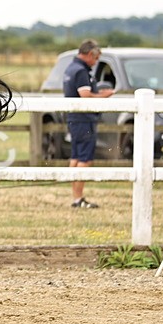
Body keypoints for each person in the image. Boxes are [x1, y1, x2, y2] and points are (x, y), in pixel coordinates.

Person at [63, 39, 115, 208]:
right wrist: (104, 96)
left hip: (75, 118)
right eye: (96, 58)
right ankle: (78, 198)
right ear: (89, 54)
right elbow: (85, 95)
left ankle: (76, 197)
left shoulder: (71, 68)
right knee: (84, 158)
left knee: (76, 156)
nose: (96, 62)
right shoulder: (81, 71)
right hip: (84, 119)